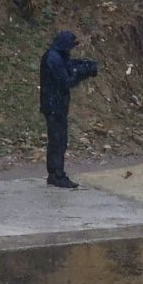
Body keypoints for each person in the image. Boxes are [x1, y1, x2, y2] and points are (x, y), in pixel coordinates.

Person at [39, 29, 99, 188]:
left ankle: (56, 174)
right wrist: (83, 72)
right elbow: (66, 81)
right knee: (58, 141)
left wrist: (83, 66)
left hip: (56, 105)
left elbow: (69, 67)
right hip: (53, 105)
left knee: (59, 140)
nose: (71, 49)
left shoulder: (56, 56)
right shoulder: (53, 58)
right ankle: (56, 175)